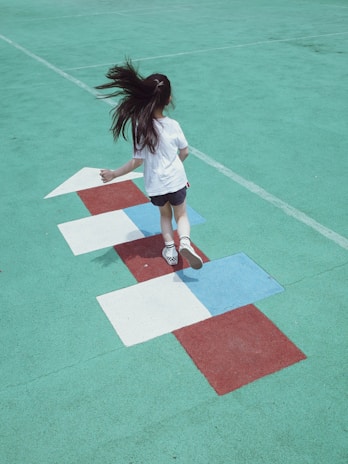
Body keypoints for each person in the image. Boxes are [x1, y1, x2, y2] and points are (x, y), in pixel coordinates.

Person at [96, 60, 203, 270]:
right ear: (168, 99)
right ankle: (186, 243)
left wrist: (114, 174)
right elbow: (185, 151)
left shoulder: (140, 127)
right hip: (177, 180)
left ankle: (170, 249)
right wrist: (176, 165)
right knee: (181, 214)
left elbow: (137, 161)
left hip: (156, 186)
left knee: (165, 215)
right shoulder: (173, 125)